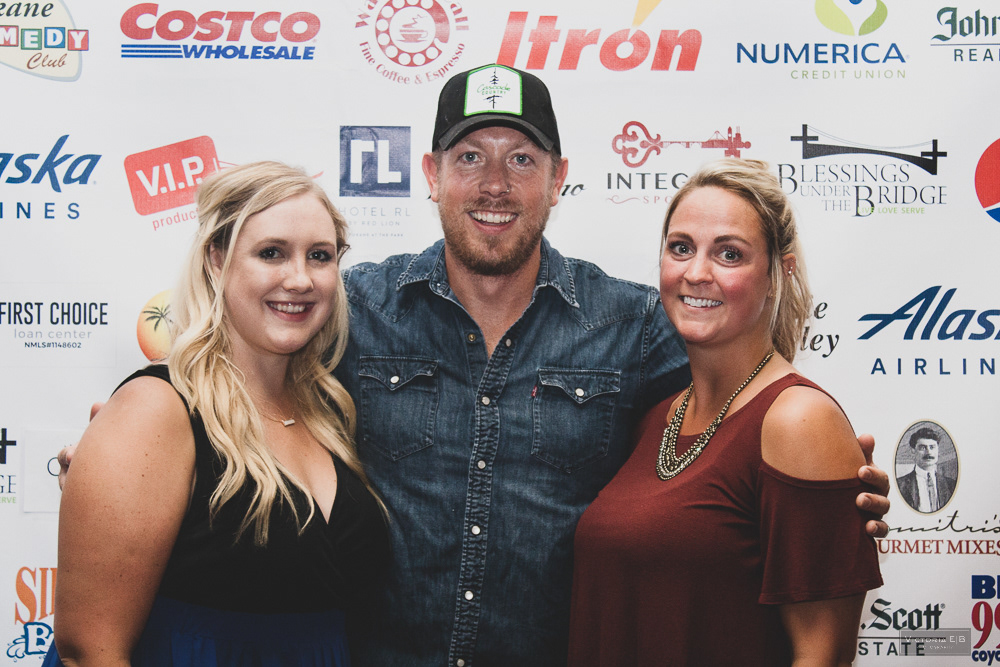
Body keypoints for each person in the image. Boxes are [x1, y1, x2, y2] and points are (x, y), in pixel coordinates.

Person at [59, 66, 890, 666]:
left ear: (560, 179)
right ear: (430, 174)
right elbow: (231, 381)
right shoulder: (352, 307)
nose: (495, 183)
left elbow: (738, 423)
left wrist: (825, 496)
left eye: (522, 159)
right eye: (469, 157)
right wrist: (128, 463)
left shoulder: (637, 324)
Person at [47, 162, 389, 666]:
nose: (300, 279)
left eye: (320, 256)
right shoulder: (157, 407)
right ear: (215, 259)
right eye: (271, 253)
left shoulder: (329, 413)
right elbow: (88, 650)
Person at [568, 158, 883, 665]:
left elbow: (822, 655)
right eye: (681, 248)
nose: (696, 273)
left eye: (729, 254)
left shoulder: (797, 420)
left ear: (779, 273)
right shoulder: (657, 417)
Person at [897, 426, 956, 513]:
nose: (928, 452)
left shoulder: (951, 485)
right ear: (913, 451)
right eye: (923, 448)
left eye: (932, 447)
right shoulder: (900, 485)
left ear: (937, 450)